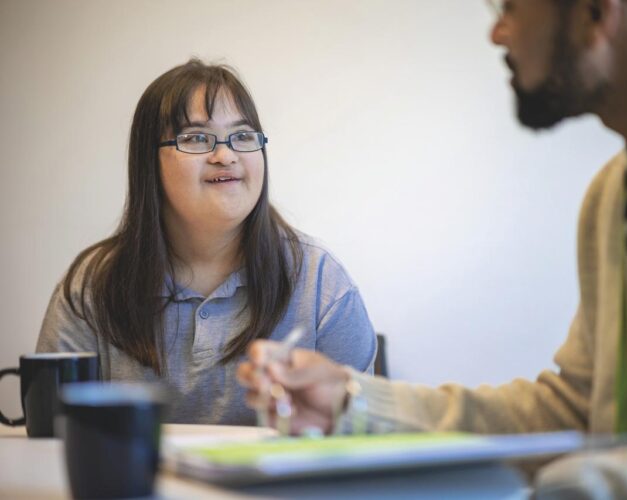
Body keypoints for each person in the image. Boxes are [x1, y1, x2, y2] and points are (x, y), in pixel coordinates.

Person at [237, 0, 627, 496]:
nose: (498, 33)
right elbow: (576, 413)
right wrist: (354, 404)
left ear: (595, 13)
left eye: (508, 7)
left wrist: (593, 486)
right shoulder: (613, 192)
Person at [37, 59, 377, 425]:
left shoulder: (320, 282)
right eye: (197, 138)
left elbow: (365, 432)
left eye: (242, 136)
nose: (226, 155)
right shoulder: (91, 286)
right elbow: (54, 435)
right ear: (148, 162)